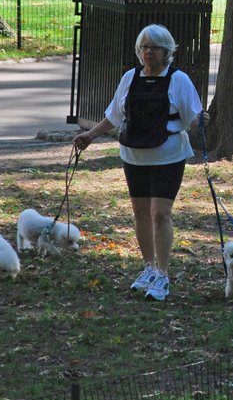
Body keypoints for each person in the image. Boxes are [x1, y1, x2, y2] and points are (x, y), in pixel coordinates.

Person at [73, 24, 206, 302]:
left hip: (168, 154)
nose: (148, 52)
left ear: (166, 51)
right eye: (144, 47)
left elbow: (193, 118)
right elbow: (114, 116)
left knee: (161, 214)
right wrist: (90, 135)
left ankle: (163, 274)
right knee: (141, 214)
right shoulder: (130, 78)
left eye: (154, 47)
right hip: (134, 155)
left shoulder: (178, 80)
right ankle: (149, 268)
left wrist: (202, 123)